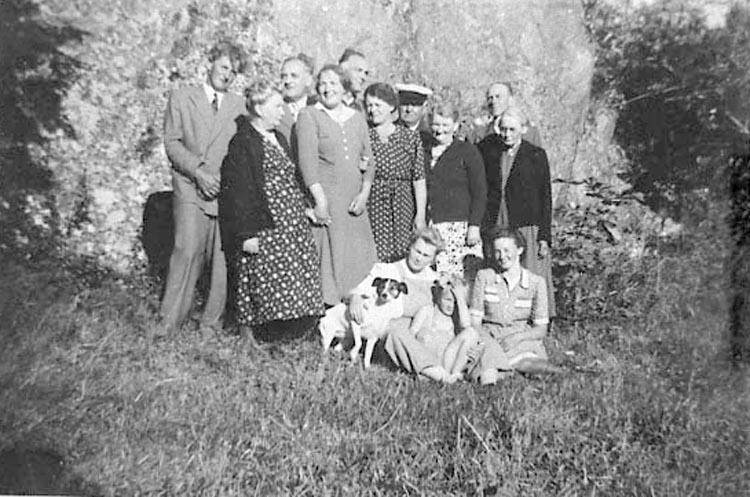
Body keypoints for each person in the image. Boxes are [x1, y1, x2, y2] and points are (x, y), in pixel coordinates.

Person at [219, 81, 324, 341]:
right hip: (266, 221)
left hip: (291, 220)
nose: (281, 112)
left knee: (295, 276)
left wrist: (305, 208)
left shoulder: (278, 138)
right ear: (259, 108)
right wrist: (246, 233)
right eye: (276, 106)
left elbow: (290, 179)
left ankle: (291, 333)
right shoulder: (243, 142)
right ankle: (259, 333)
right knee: (265, 279)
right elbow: (239, 191)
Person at [158, 41, 246, 337]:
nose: (227, 74)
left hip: (223, 190)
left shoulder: (239, 105)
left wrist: (225, 180)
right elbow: (172, 142)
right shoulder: (182, 97)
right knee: (187, 249)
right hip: (190, 185)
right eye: (224, 66)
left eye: (233, 71)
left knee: (222, 260)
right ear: (210, 63)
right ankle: (169, 321)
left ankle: (211, 324)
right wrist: (198, 172)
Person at [296, 64, 378, 306]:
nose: (327, 88)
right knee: (330, 262)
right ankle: (328, 312)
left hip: (354, 203)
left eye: (333, 83)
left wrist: (364, 194)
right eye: (322, 83)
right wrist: (320, 201)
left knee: (357, 259)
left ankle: (355, 311)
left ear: (344, 88)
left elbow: (369, 160)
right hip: (328, 201)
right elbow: (307, 163)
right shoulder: (309, 115)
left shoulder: (357, 118)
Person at [477, 107, 555, 318]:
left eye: (512, 129)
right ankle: (501, 316)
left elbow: (545, 196)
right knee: (499, 266)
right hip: (497, 220)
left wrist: (545, 235)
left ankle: (538, 318)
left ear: (523, 129)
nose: (507, 134)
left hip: (526, 223)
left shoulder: (536, 155)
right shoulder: (489, 150)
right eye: (503, 129)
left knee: (530, 272)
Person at [467, 227, 553, 385]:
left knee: (534, 365)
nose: (502, 256)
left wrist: (516, 338)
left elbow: (541, 329)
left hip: (520, 339)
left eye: (507, 250)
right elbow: (475, 323)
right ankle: (494, 378)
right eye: (497, 251)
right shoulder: (484, 277)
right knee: (487, 363)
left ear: (519, 250)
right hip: (490, 337)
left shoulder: (536, 282)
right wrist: (488, 341)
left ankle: (507, 369)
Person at [364, 82, 427, 263]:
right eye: (369, 105)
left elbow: (419, 179)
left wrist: (420, 214)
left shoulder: (410, 138)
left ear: (391, 106)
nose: (372, 110)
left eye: (378, 105)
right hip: (374, 205)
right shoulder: (364, 136)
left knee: (403, 255)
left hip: (403, 205)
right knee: (376, 257)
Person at [426, 99, 487, 277]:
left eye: (445, 125)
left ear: (455, 126)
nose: (440, 129)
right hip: (432, 226)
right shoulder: (424, 150)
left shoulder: (467, 152)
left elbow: (480, 192)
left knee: (457, 279)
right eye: (436, 124)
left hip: (458, 228)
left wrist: (474, 225)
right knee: (434, 278)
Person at [348, 227, 443, 338]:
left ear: (433, 259)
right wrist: (355, 297)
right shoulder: (388, 270)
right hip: (390, 333)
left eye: (426, 255)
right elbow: (358, 290)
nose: (419, 258)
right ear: (410, 247)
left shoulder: (434, 280)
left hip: (422, 334)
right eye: (417, 251)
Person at [393, 275, 481, 383]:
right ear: (438, 296)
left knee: (471, 332)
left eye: (455, 302)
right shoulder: (427, 311)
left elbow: (467, 326)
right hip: (426, 362)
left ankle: (454, 375)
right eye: (447, 300)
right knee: (397, 333)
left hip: (447, 363)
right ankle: (439, 376)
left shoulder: (457, 317)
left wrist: (460, 299)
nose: (451, 306)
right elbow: (410, 337)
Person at [468, 82, 542, 147]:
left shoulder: (529, 131)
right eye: (490, 98)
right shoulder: (479, 132)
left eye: (498, 96)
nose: (493, 101)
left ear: (510, 99)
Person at [277, 53, 316, 146]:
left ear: (308, 80)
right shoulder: (275, 108)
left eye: (294, 76)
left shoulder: (318, 108)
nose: (287, 81)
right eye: (284, 76)